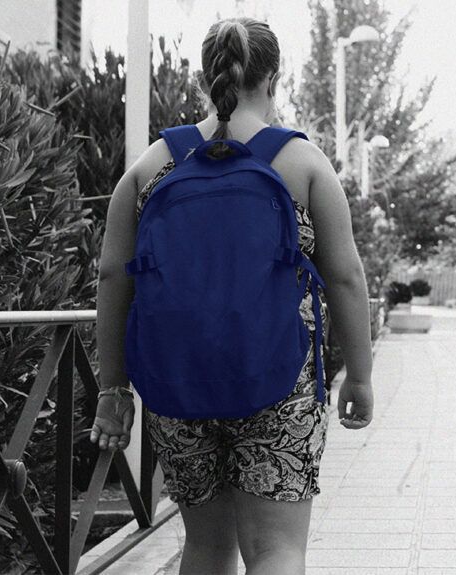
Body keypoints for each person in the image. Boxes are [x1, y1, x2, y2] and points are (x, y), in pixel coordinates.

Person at [89, 17, 375, 575]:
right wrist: (360, 378)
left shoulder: (151, 164)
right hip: (280, 382)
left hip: (178, 386)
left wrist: (112, 387)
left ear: (204, 75)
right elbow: (346, 278)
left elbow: (110, 278)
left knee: (203, 548)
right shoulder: (303, 162)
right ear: (273, 77)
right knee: (277, 551)